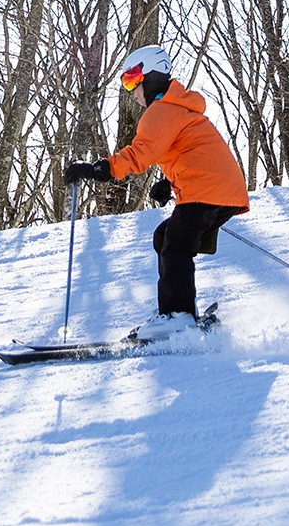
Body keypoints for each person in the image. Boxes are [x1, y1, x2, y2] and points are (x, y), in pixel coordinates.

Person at [64, 44, 250, 340]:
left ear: (151, 74)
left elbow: (140, 154)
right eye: (126, 82)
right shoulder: (177, 108)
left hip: (208, 189)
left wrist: (99, 169)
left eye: (132, 79)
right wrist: (169, 182)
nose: (131, 90)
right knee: (166, 237)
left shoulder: (161, 111)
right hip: (220, 189)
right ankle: (178, 313)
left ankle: (178, 317)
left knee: (175, 245)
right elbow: (189, 150)